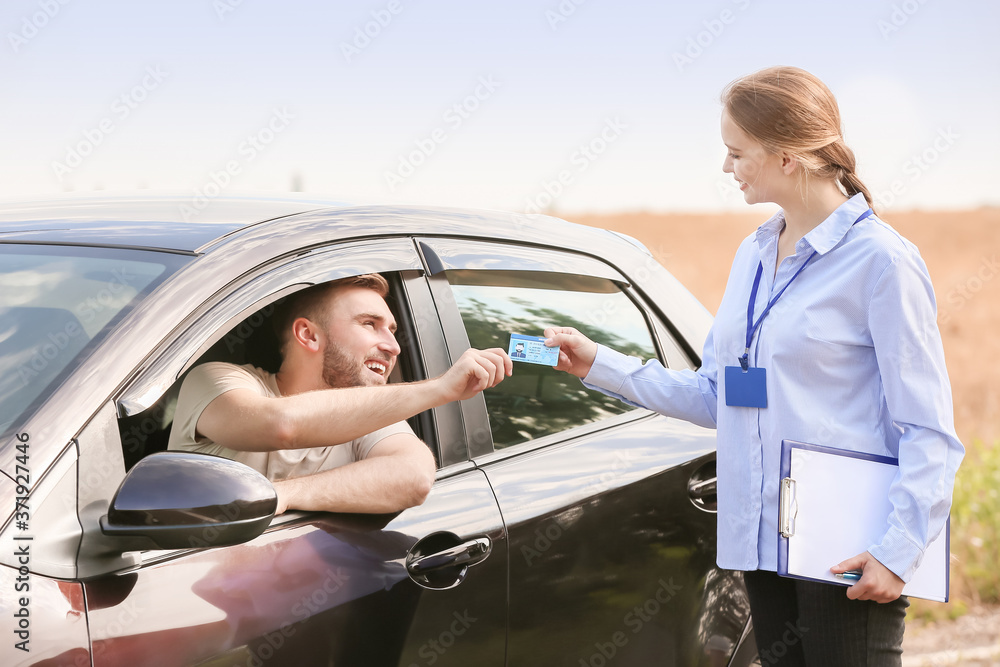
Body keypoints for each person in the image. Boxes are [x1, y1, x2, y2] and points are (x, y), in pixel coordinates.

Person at [545, 66, 963, 665]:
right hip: (763, 546)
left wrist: (898, 549)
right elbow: (718, 396)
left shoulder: (883, 263)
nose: (726, 167)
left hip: (848, 548)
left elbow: (930, 429)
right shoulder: (754, 254)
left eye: (736, 152)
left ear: (788, 156)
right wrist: (598, 364)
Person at [168, 273, 512, 516]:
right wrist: (438, 389)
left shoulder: (366, 412)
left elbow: (415, 476)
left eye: (392, 330)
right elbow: (280, 424)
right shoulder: (217, 380)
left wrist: (284, 495)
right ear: (308, 335)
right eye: (368, 324)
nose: (393, 346)